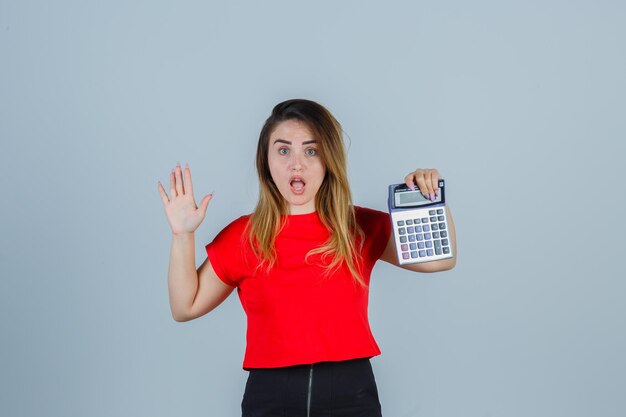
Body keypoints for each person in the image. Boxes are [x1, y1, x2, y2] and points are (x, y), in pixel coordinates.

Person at [157, 99, 457, 417]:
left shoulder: (357, 226)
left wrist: (431, 200)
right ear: (266, 160)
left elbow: (440, 260)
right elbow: (184, 307)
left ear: (328, 159)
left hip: (350, 393)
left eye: (311, 151)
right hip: (270, 396)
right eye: (284, 150)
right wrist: (182, 235)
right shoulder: (242, 236)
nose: (296, 164)